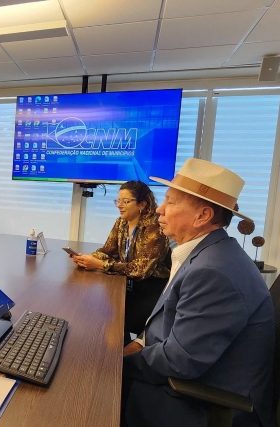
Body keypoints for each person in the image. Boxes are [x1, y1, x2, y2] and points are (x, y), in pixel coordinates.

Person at [122, 158, 274, 427]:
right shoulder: (207, 252)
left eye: (170, 202)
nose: (159, 210)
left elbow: (179, 361)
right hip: (188, 381)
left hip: (201, 404)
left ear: (202, 216)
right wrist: (137, 344)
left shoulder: (214, 272)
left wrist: (115, 362)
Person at [70, 181, 170, 344]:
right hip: (127, 284)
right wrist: (86, 258)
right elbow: (107, 251)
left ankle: (121, 353)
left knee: (106, 317)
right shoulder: (121, 222)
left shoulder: (155, 227)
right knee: (100, 310)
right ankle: (118, 350)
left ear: (142, 204)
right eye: (118, 201)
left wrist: (101, 265)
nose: (119, 205)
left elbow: (141, 269)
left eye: (126, 201)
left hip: (151, 291)